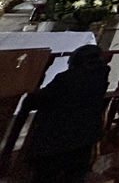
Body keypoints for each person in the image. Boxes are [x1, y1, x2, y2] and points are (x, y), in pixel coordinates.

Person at [23, 44, 109, 183]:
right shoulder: (101, 76)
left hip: (58, 139)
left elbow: (39, 100)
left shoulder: (66, 78)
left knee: (45, 176)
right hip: (85, 136)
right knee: (75, 176)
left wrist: (31, 96)